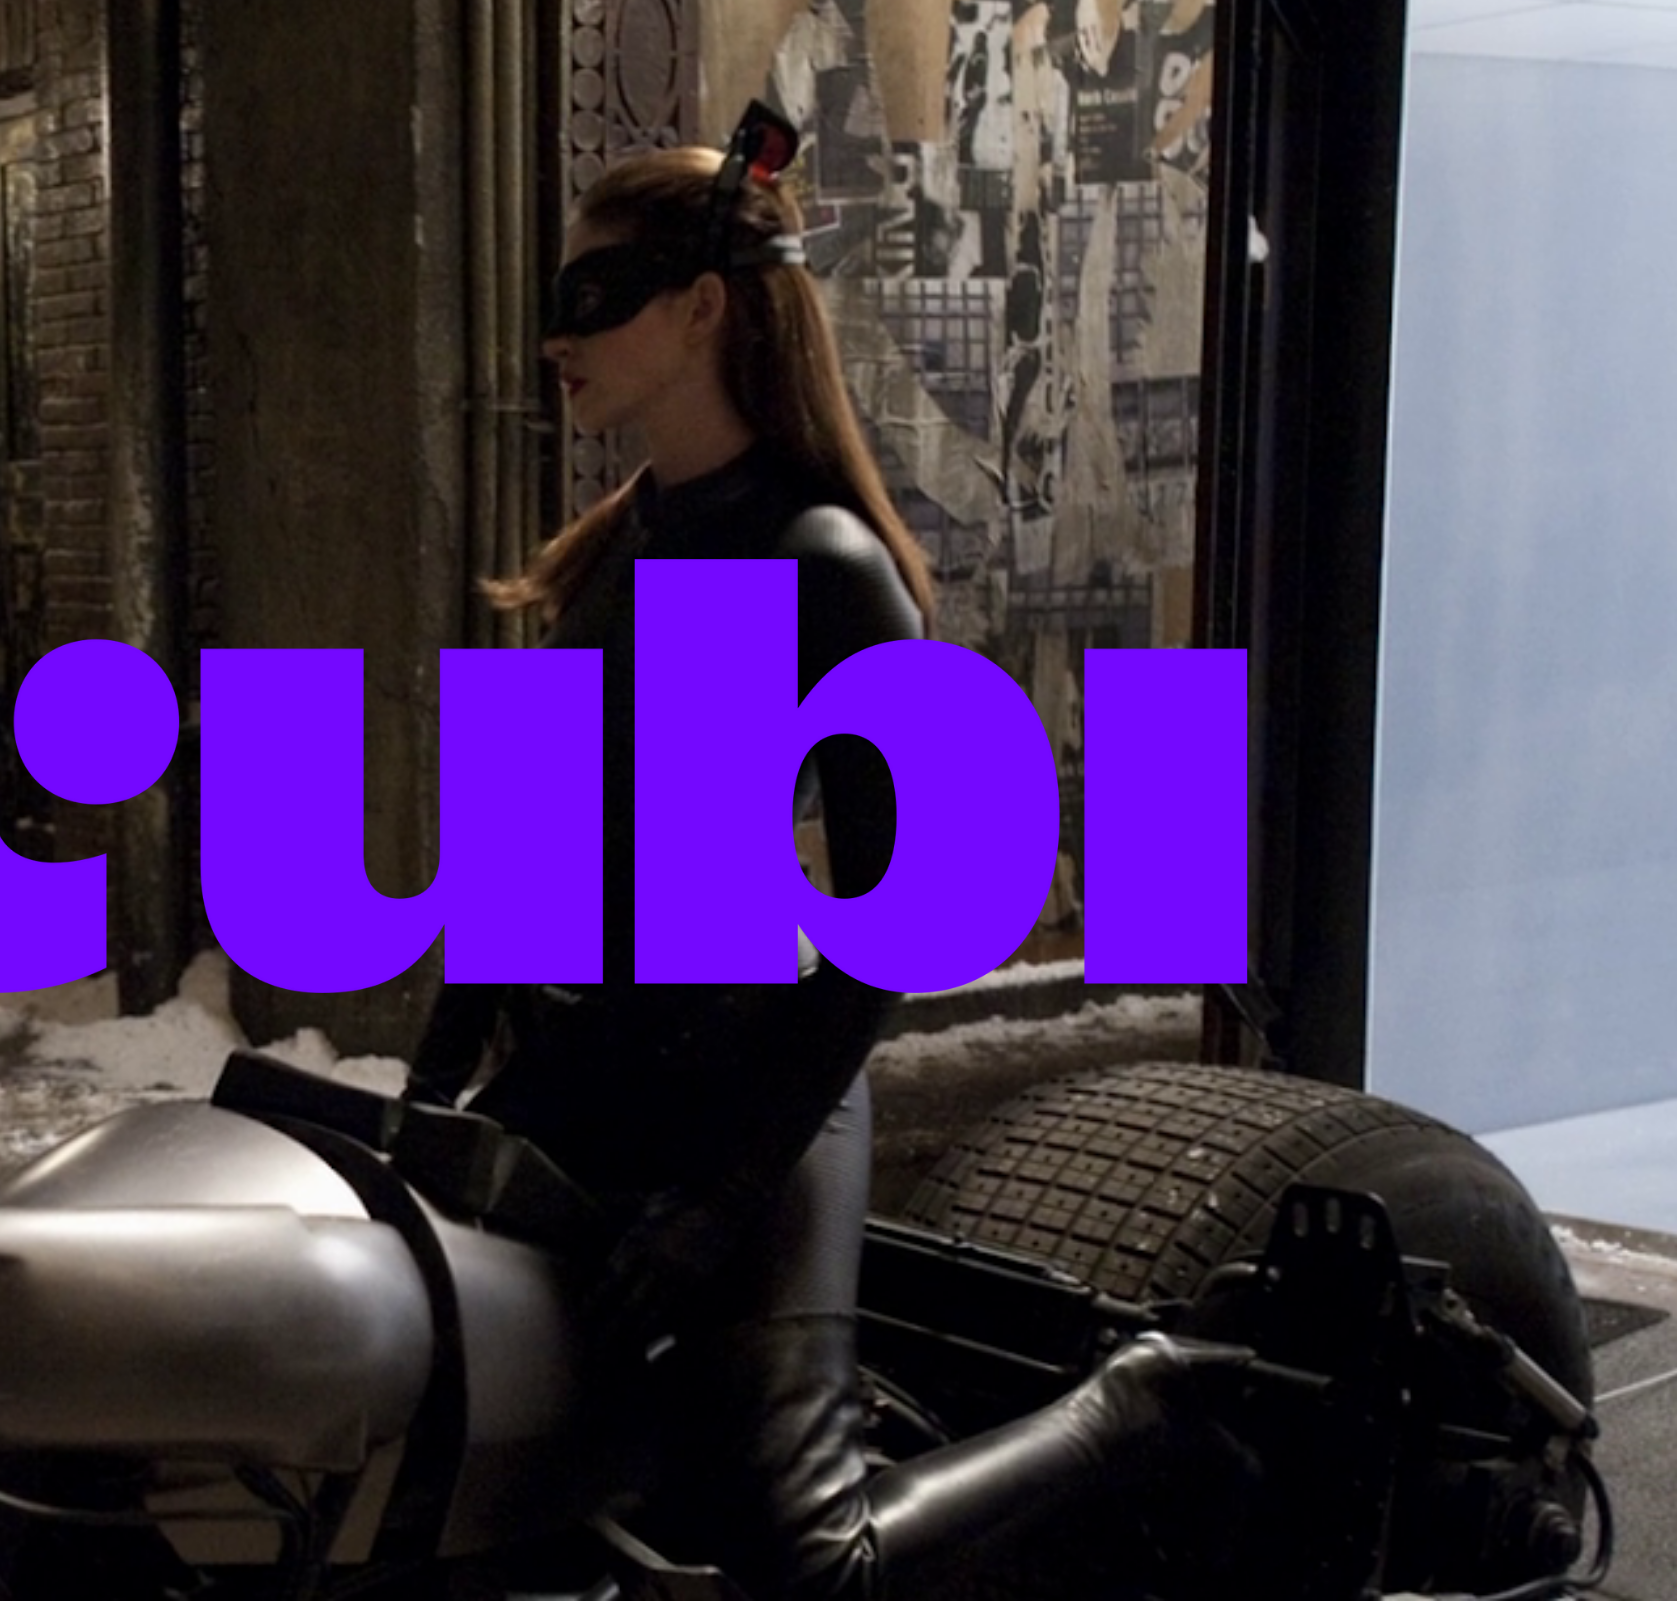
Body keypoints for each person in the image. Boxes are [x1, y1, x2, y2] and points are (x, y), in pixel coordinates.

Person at [405, 107, 1244, 1601]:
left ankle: (1132, 1405)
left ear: (702, 308)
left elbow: (896, 919)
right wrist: (430, 1087)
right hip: (582, 1082)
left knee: (807, 1565)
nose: (554, 340)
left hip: (750, 1099)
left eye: (591, 297)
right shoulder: (615, 544)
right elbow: (520, 851)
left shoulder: (824, 563)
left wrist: (728, 1189)